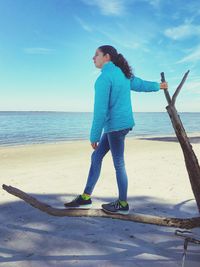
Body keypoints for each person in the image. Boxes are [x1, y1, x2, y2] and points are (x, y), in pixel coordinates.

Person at [64, 45, 168, 215]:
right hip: (121, 125)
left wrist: (94, 135)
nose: (93, 58)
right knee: (96, 157)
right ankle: (85, 197)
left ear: (107, 57)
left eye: (95, 54)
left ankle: (123, 204)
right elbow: (141, 84)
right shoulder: (123, 74)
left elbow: (100, 111)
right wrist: (159, 86)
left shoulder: (104, 78)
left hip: (115, 127)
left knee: (119, 163)